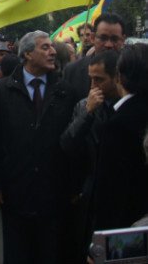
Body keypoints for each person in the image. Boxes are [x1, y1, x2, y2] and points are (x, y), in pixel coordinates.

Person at [0, 30, 77, 263]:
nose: (53, 51)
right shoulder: (2, 90)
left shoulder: (66, 91)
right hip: (16, 190)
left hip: (54, 191)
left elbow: (73, 141)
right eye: (45, 47)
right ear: (27, 54)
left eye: (52, 47)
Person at [60, 50, 121, 262]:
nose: (93, 85)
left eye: (100, 79)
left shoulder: (127, 107)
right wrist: (87, 113)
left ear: (117, 78)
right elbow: (68, 143)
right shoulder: (83, 105)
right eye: (91, 79)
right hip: (91, 194)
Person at [92, 44, 148, 233]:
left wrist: (103, 244)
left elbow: (110, 193)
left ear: (119, 76)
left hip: (129, 231)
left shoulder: (118, 125)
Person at [64, 13, 126, 100]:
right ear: (93, 38)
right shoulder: (72, 71)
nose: (108, 45)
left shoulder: (134, 71)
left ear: (123, 40)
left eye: (114, 39)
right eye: (103, 38)